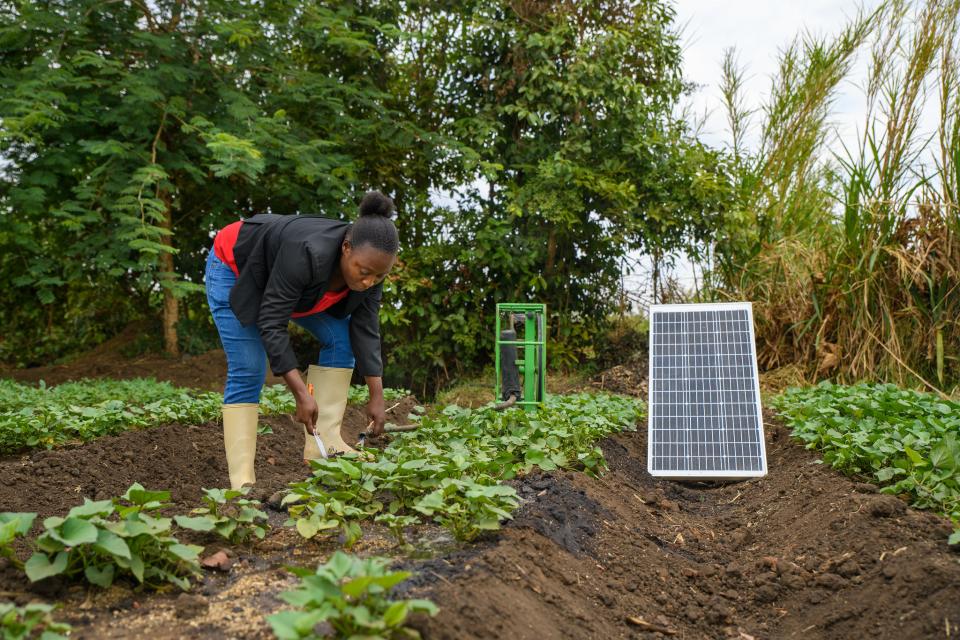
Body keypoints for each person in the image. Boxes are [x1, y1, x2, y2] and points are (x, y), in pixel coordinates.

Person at [205, 191, 398, 489]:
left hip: (297, 288)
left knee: (342, 340)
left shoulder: (369, 268)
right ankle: (241, 481)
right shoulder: (307, 251)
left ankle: (325, 445)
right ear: (346, 248)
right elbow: (271, 321)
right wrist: (300, 393)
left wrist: (377, 395)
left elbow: (366, 327)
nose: (368, 282)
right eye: (364, 272)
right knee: (250, 368)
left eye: (378, 276)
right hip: (237, 269)